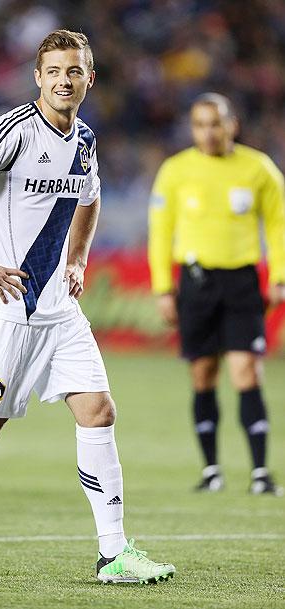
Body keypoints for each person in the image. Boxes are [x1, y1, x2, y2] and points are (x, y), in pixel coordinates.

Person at [0, 29, 175, 583]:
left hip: (60, 311)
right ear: (37, 78)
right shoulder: (13, 131)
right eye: (54, 72)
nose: (64, 81)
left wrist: (79, 258)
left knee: (99, 411)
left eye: (74, 71)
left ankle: (113, 556)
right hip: (6, 309)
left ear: (90, 78)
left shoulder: (85, 139)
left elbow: (89, 197)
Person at [148, 93, 285, 495]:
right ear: (192, 128)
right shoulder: (175, 171)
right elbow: (160, 233)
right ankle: (212, 471)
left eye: (215, 124)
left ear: (232, 125)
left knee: (247, 371)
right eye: (200, 125)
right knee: (203, 375)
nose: (208, 133)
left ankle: (260, 472)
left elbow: (278, 226)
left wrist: (278, 275)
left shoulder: (259, 168)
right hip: (195, 282)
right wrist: (162, 288)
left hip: (242, 282)